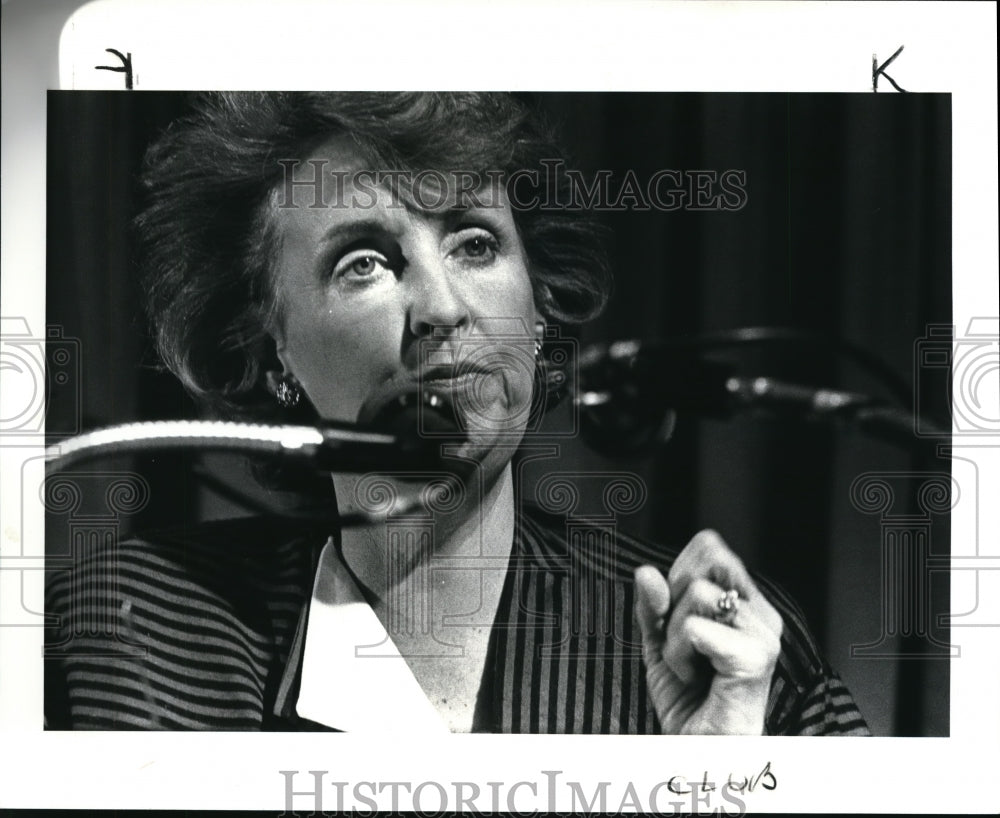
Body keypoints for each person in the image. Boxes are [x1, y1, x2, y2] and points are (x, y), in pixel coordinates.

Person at [45, 92, 869, 735]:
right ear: (271, 350)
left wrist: (719, 780)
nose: (440, 306)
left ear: (540, 308)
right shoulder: (126, 637)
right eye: (364, 263)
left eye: (475, 242)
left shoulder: (722, 650)